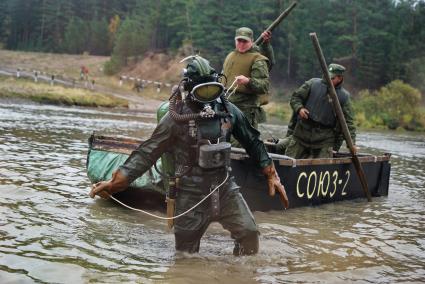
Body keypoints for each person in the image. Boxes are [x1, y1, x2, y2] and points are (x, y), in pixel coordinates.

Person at [89, 55, 289, 256]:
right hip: (191, 195)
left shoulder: (228, 111)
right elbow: (146, 154)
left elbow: (253, 142)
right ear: (189, 89)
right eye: (203, 92)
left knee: (250, 234)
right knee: (185, 256)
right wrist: (116, 183)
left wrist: (271, 174)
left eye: (213, 89)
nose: (209, 98)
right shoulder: (175, 119)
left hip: (225, 188)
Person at [285, 63, 357, 159]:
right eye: (328, 76)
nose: (328, 79)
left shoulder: (344, 97)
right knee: (288, 160)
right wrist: (300, 108)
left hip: (324, 140)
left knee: (322, 165)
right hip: (302, 133)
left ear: (339, 79)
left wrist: (351, 144)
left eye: (332, 78)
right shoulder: (312, 83)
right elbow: (295, 98)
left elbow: (349, 123)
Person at [222, 27, 275, 130]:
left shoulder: (258, 59)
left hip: (245, 112)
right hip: (226, 109)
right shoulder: (230, 56)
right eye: (239, 40)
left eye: (245, 41)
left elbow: (264, 86)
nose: (241, 44)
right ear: (235, 40)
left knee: (240, 144)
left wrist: (248, 81)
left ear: (251, 41)